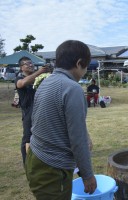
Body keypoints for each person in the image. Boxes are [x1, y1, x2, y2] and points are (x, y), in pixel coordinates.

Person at [25, 40, 97, 199]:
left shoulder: (46, 82)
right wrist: (87, 175)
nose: (85, 72)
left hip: (36, 157)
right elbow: (77, 141)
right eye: (86, 67)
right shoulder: (73, 88)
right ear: (79, 64)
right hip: (52, 168)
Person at [15, 57, 49, 165]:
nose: (31, 65)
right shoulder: (19, 78)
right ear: (21, 67)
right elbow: (22, 83)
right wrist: (39, 71)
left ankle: (41, 159)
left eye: (31, 63)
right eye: (27, 64)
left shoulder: (37, 78)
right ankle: (28, 163)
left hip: (41, 111)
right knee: (28, 138)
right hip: (28, 113)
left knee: (43, 136)